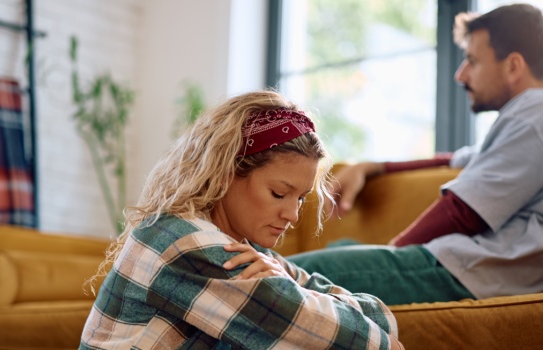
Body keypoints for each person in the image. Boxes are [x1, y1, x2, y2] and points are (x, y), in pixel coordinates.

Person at [288, 4, 543, 305]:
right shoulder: (542, 118)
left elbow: (463, 211)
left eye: (473, 61)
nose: (461, 75)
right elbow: (451, 160)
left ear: (513, 66)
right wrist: (374, 166)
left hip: (474, 274)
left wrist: (393, 254)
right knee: (342, 248)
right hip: (471, 269)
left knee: (289, 274)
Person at [79, 91, 403, 349]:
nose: (292, 215)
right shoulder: (187, 244)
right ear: (225, 174)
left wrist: (288, 286)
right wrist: (295, 295)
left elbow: (383, 317)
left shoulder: (251, 253)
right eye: (279, 193)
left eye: (301, 198)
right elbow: (367, 342)